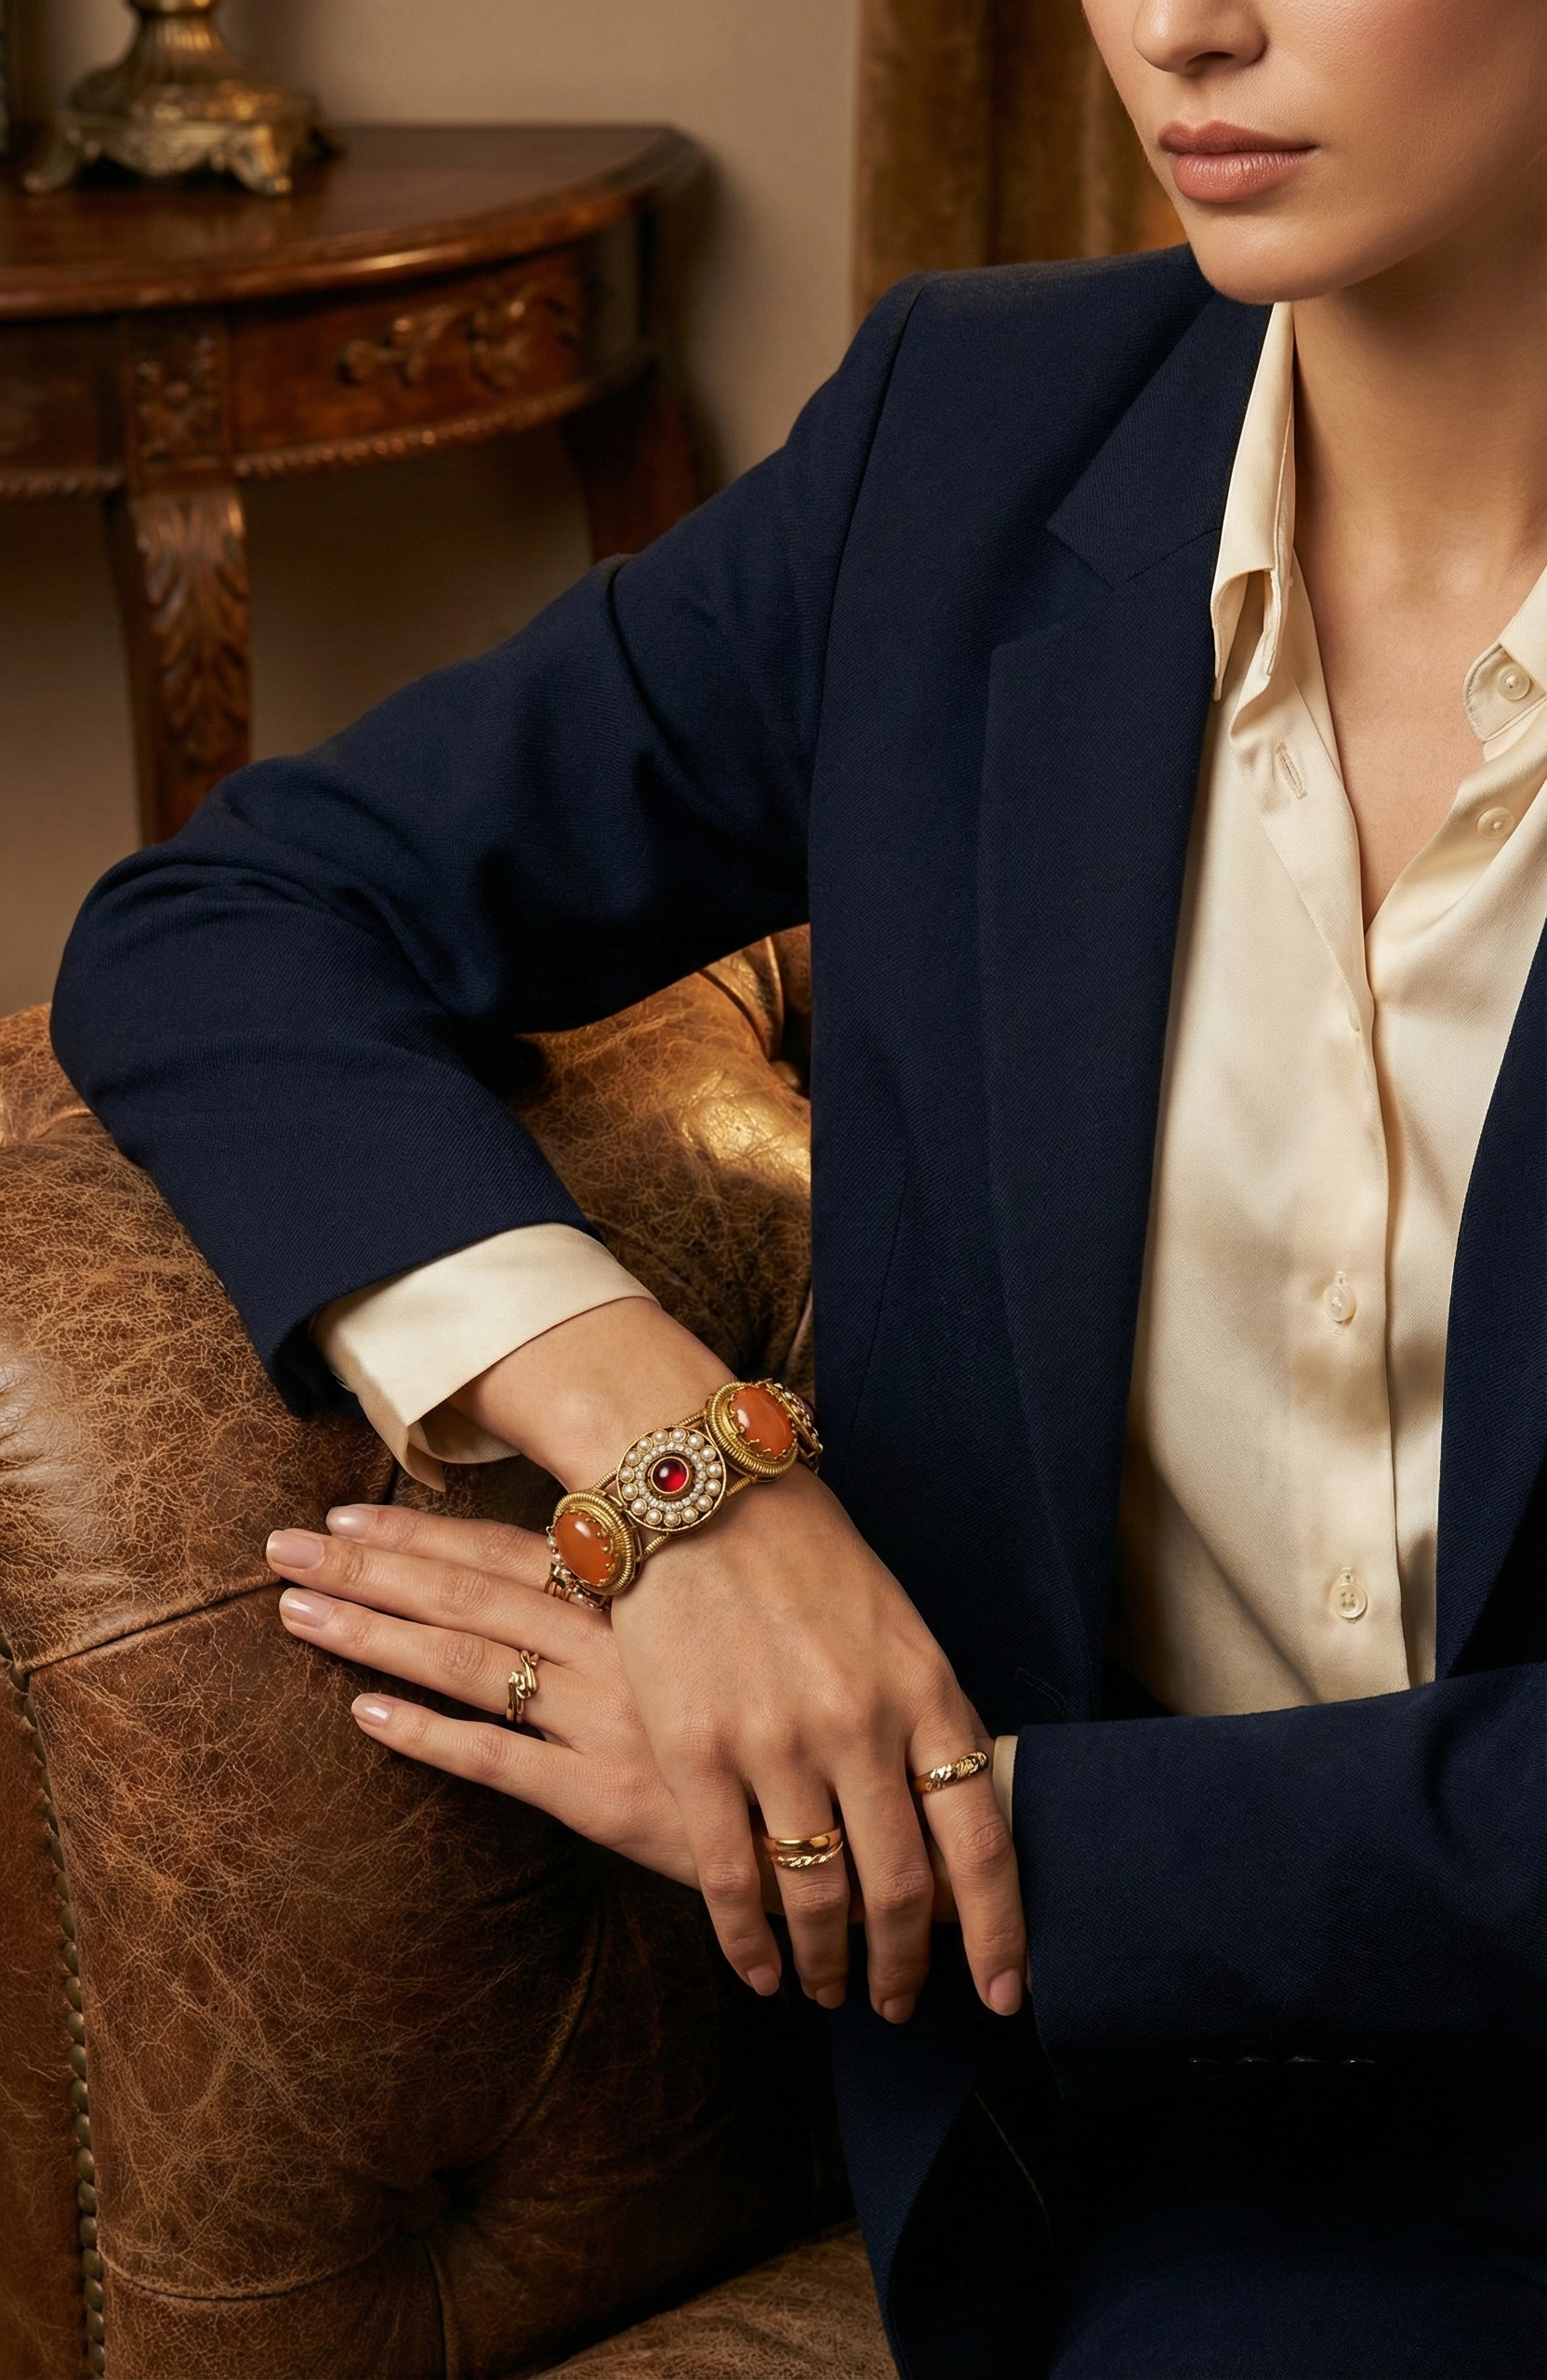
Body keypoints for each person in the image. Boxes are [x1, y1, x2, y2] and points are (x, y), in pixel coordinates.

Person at [50, 0, 1546, 2371]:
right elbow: (229, 924)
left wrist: (957, 1829)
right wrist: (681, 1459)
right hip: (1232, 2191)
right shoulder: (960, 449)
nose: (1183, 24)